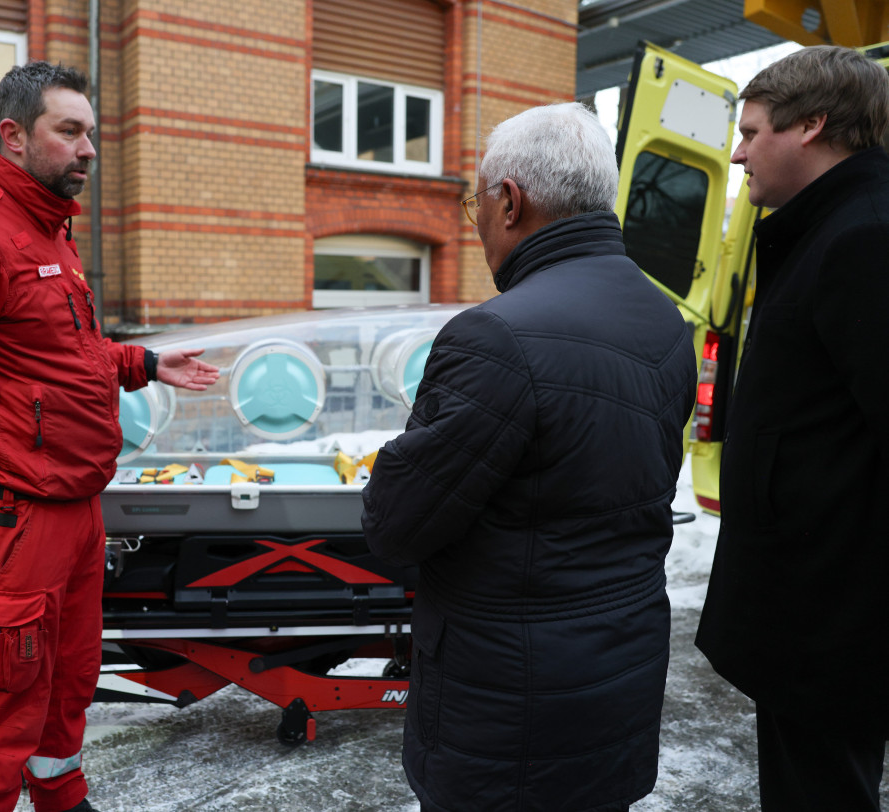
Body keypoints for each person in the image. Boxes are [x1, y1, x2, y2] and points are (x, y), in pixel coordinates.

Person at [0, 61, 218, 812]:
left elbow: (65, 357)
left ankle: (61, 796)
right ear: (15, 136)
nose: (88, 148)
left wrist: (148, 363)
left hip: (73, 513)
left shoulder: (50, 236)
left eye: (90, 132)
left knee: (68, 680)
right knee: (5, 705)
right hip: (10, 521)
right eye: (70, 131)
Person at [361, 102, 697, 812]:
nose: (475, 220)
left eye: (474, 202)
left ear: (509, 201)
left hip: (507, 709)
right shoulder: (663, 319)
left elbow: (396, 522)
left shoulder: (494, 337)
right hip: (617, 677)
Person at [694, 45, 889, 812]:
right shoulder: (827, 229)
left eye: (751, 130)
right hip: (814, 611)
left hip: (834, 618)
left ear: (812, 125)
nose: (738, 151)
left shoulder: (864, 238)